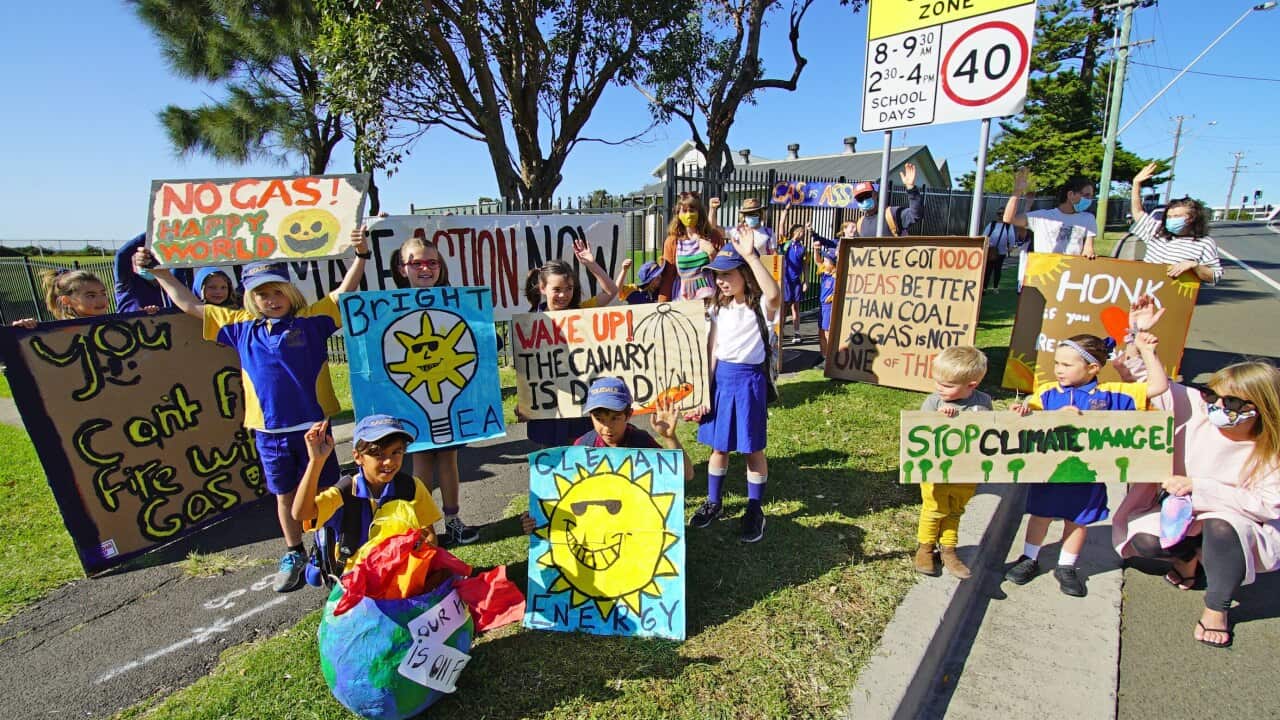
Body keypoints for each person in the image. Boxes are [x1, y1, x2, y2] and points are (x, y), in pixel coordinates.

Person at [141, 232, 370, 593]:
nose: (271, 300)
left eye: (278, 291)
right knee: (284, 494)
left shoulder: (312, 320)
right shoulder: (239, 326)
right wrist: (160, 273)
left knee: (325, 491)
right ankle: (294, 552)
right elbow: (189, 305)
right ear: (251, 297)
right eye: (262, 294)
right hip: (268, 431)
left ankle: (331, 548)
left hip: (314, 429)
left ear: (290, 292)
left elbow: (344, 291)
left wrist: (361, 255)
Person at [1112, 360, 1280, 649]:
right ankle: (1189, 557)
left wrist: (1199, 487)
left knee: (1221, 526)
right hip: (1181, 512)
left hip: (1239, 521)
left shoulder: (1270, 452)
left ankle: (1217, 606)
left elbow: (1268, 504)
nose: (1216, 405)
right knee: (1146, 541)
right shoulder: (1198, 409)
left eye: (1230, 402)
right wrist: (1138, 351)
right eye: (1211, 394)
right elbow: (1157, 387)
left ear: (1260, 407)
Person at [1005, 330, 1164, 597]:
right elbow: (1027, 420)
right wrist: (1022, 412)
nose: (1059, 369)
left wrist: (1147, 351)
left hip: (1089, 476)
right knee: (1040, 515)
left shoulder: (1113, 394)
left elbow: (1158, 388)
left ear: (1093, 368)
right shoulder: (1046, 393)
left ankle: (1066, 566)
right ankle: (1029, 558)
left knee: (1077, 521)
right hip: (1051, 473)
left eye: (1067, 365)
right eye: (1056, 363)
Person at [686, 232, 782, 543]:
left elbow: (774, 295)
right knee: (719, 446)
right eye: (718, 275)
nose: (721, 281)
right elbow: (712, 349)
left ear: (745, 273)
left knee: (752, 448)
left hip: (749, 382)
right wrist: (704, 390)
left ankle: (754, 509)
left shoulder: (761, 307)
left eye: (728, 274)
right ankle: (714, 501)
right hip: (722, 381)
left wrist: (752, 256)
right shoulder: (718, 308)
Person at [518, 377, 696, 534]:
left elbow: (686, 475)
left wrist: (670, 437)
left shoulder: (640, 442)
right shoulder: (582, 446)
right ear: (590, 416)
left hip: (634, 527)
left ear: (628, 415)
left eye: (615, 418)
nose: (607, 427)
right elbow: (563, 493)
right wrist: (537, 516)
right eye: (599, 418)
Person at [393, 232, 479, 546]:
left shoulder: (456, 301)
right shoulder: (388, 307)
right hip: (412, 403)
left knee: (448, 459)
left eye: (432, 262)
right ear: (402, 268)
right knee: (421, 460)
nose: (425, 268)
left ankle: (453, 520)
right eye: (416, 263)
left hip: (449, 396)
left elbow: (476, 337)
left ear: (441, 266)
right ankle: (424, 526)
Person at [293, 415, 442, 584]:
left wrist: (421, 548)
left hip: (402, 577)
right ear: (358, 457)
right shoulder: (344, 493)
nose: (389, 461)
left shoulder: (410, 487)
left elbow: (430, 535)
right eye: (378, 454)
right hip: (355, 583)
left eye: (396, 452)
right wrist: (316, 461)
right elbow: (301, 513)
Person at [517, 241, 619, 447]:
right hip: (549, 404)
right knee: (552, 453)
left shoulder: (582, 311)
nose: (563, 295)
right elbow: (527, 368)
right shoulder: (532, 321)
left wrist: (591, 264)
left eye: (569, 288)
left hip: (579, 399)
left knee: (582, 450)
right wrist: (525, 403)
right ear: (543, 288)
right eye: (557, 289)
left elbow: (611, 291)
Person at [915, 346, 993, 579]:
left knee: (955, 510)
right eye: (937, 382)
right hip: (937, 471)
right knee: (934, 509)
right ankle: (925, 548)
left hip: (966, 471)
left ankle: (948, 550)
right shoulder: (934, 402)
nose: (939, 388)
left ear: (972, 385)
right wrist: (938, 419)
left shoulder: (983, 402)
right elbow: (918, 431)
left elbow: (990, 432)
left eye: (947, 385)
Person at [1128, 162, 1224, 284]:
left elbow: (1215, 276)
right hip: (1146, 289)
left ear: (1191, 218)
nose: (1171, 220)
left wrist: (1195, 266)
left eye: (1177, 216)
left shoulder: (1204, 243)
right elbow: (1137, 212)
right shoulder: (1156, 231)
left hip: (1175, 293)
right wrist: (1136, 183)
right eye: (1169, 216)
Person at [1004, 168, 1098, 259]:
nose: (1089, 200)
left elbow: (1088, 249)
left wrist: (1089, 254)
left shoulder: (1088, 218)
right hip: (1044, 268)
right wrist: (1017, 192)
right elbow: (1009, 219)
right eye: (1086, 195)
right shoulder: (1041, 217)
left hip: (1071, 268)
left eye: (1091, 196)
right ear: (1070, 194)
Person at [659, 191, 723, 302]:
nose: (688, 215)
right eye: (684, 211)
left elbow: (724, 270)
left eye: (692, 210)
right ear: (678, 214)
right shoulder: (672, 241)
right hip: (683, 300)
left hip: (710, 300)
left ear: (699, 213)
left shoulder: (713, 236)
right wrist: (662, 303)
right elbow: (668, 278)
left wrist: (712, 253)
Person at [113, 233, 193, 313]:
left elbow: (179, 262)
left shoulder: (171, 284)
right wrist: (156, 231)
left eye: (152, 262)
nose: (147, 265)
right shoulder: (127, 285)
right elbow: (122, 255)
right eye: (143, 261)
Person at [11, 268, 115, 327]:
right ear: (67, 300)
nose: (101, 300)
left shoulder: (117, 323)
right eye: (91, 296)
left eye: (103, 294)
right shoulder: (59, 332)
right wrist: (22, 327)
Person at [849, 162, 924, 237]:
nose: (864, 199)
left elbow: (915, 215)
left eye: (867, 195)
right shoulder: (860, 224)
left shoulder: (892, 213)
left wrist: (911, 188)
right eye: (860, 198)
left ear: (875, 194)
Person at [778, 223, 809, 344]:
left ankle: (796, 333)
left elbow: (805, 266)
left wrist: (806, 281)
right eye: (802, 232)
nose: (803, 234)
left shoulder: (803, 249)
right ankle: (780, 332)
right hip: (785, 281)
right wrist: (784, 216)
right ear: (795, 232)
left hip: (796, 281)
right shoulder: (786, 244)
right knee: (784, 308)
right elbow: (781, 231)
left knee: (795, 307)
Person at [981, 213, 1025, 292]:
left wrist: (1011, 247)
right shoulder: (992, 224)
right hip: (990, 251)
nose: (1001, 216)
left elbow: (1011, 237)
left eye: (1002, 214)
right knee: (988, 270)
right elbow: (985, 235)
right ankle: (984, 287)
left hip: (1001, 252)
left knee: (997, 270)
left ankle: (995, 287)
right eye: (999, 214)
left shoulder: (1008, 226)